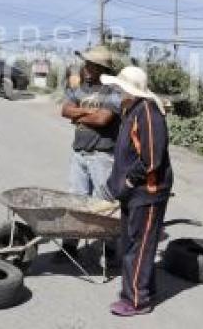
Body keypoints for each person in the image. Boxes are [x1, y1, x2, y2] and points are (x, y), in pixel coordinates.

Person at [101, 66, 172, 317]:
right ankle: (144, 290)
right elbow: (126, 153)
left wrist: (129, 182)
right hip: (132, 192)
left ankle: (136, 301)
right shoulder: (131, 110)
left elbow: (151, 159)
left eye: (120, 87)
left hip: (147, 191)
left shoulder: (148, 113)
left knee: (139, 247)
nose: (117, 91)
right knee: (133, 243)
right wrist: (115, 185)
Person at [60, 46, 121, 258]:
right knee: (76, 200)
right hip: (80, 153)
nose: (85, 68)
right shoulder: (82, 87)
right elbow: (64, 109)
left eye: (90, 65)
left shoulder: (113, 90)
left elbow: (102, 119)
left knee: (103, 203)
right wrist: (85, 112)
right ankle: (70, 246)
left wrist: (77, 116)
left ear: (100, 68)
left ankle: (108, 248)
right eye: (86, 64)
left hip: (102, 155)